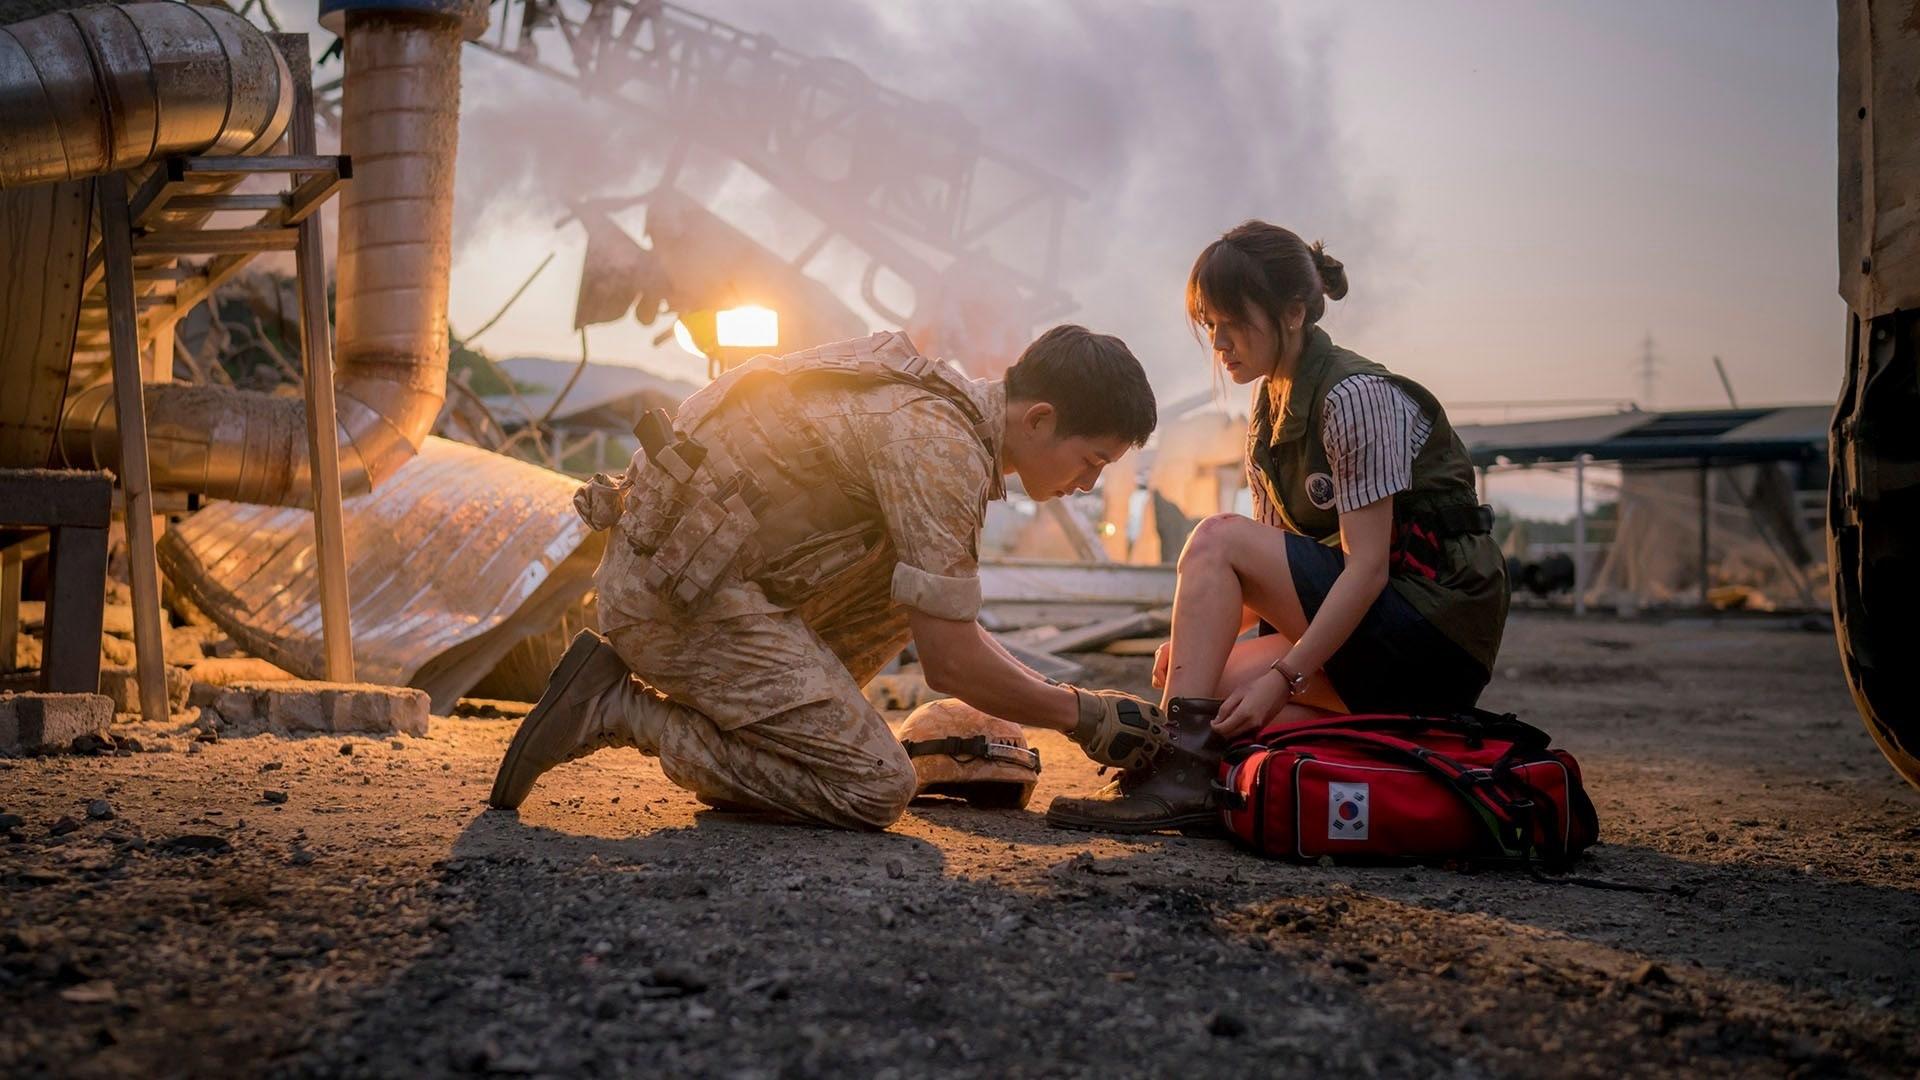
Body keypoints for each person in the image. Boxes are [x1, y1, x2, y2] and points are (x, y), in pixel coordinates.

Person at [489, 326, 1172, 830]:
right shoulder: (939, 446)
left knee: (917, 588)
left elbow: (946, 627)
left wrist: (1073, 701)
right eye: (1092, 462)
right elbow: (951, 662)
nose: (1087, 485)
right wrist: (1081, 715)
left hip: (710, 583)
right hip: (672, 601)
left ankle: (764, 728)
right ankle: (616, 708)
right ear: (1040, 419)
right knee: (871, 785)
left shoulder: (945, 415)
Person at [1047, 221, 1509, 833]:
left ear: (1292, 312)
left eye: (1231, 321)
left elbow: (1366, 570)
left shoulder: (1355, 397)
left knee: (1216, 537)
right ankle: (1194, 776)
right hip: (1375, 641)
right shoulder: (1269, 412)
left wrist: (1283, 677)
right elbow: (1267, 575)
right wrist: (1191, 644)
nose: (1218, 342)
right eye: (1209, 324)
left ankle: (1174, 772)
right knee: (1216, 706)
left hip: (1431, 635)